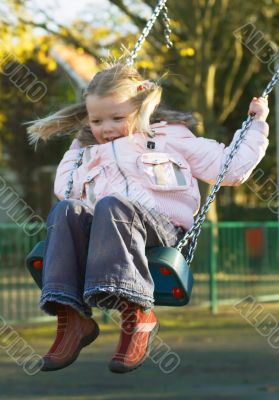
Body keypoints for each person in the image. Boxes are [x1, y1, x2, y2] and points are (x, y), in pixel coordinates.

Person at [28, 63, 269, 373]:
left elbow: (231, 167)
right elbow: (65, 189)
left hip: (160, 230)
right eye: (96, 120)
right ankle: (72, 316)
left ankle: (137, 312)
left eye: (117, 118)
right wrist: (80, 145)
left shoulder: (170, 136)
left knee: (113, 205)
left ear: (141, 107)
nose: (107, 128)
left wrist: (256, 124)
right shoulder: (88, 149)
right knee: (66, 210)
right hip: (105, 235)